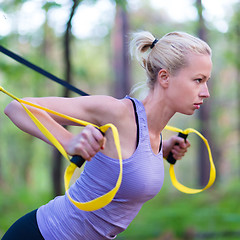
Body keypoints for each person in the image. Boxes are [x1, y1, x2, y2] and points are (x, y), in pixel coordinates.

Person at [2, 30, 212, 240]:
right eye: (198, 80)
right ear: (165, 77)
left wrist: (163, 149)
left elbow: (128, 158)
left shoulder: (152, 134)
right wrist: (68, 141)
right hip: (41, 234)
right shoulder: (116, 112)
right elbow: (17, 108)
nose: (206, 92)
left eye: (206, 81)